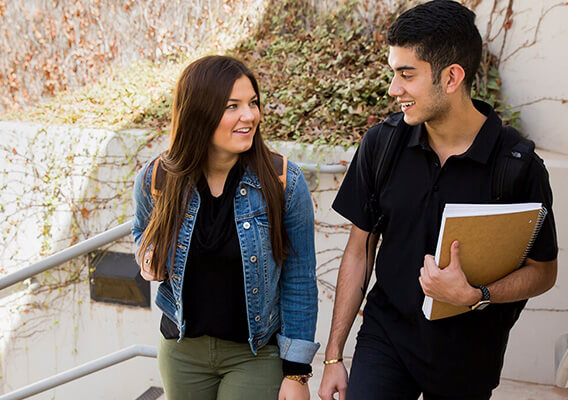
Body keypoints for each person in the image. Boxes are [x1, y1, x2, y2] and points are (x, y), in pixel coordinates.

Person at [318, 1, 558, 399]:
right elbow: (359, 250)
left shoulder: (517, 166)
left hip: (469, 355)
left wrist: (478, 295)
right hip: (385, 340)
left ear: (451, 77)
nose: (394, 89)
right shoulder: (382, 145)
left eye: (406, 75)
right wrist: (333, 357)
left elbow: (543, 272)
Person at [132, 55, 319, 400]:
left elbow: (300, 278)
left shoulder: (283, 183)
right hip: (182, 350)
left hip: (255, 354)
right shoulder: (157, 178)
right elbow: (142, 234)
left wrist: (297, 372)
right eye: (232, 106)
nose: (249, 116)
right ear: (198, 112)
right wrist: (148, 257)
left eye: (253, 103)